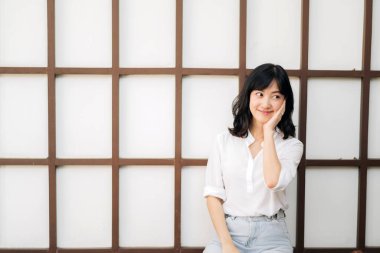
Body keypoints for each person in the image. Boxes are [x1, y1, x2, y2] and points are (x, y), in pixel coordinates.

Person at [203, 63, 304, 253]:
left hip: (272, 237)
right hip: (229, 233)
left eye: (275, 96)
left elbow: (273, 181)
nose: (266, 104)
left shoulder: (292, 146)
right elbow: (213, 196)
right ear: (248, 95)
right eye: (259, 94)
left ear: (284, 103)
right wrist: (227, 244)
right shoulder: (223, 141)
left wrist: (268, 130)